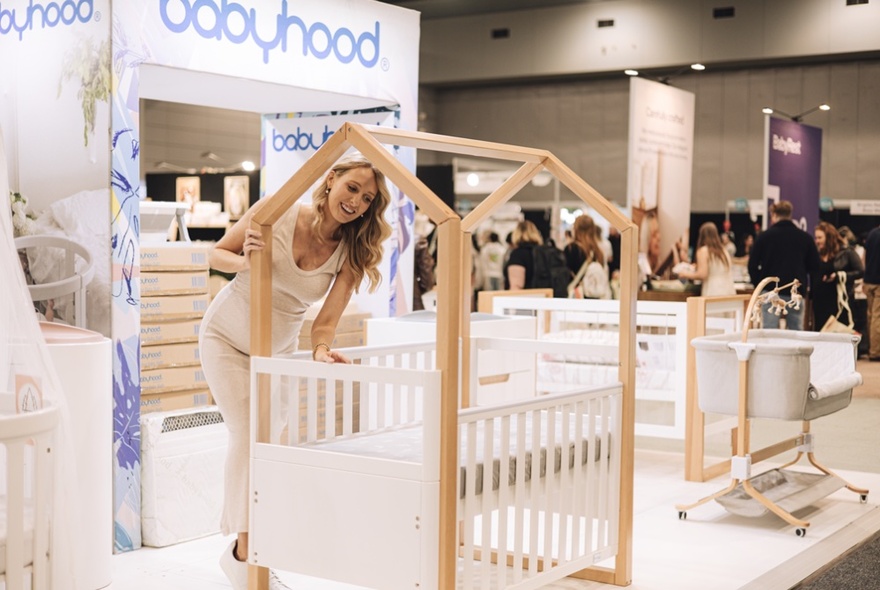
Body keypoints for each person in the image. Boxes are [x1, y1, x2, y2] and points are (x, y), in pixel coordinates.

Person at [198, 154, 392, 590]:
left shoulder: (352, 252)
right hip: (226, 337)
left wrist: (322, 348)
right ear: (330, 179)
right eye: (353, 188)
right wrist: (244, 262)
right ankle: (248, 557)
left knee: (267, 446)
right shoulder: (277, 209)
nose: (358, 202)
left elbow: (324, 322)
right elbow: (216, 253)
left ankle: (251, 555)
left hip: (278, 352)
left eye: (367, 198)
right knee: (249, 432)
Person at [747, 200, 820, 330]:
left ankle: (771, 351)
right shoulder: (805, 238)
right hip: (795, 291)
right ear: (790, 214)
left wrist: (759, 285)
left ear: (774, 215)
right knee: (795, 330)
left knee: (769, 330)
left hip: (770, 290)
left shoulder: (764, 237)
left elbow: (752, 265)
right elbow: (814, 267)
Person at [811, 221, 863, 331]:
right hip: (819, 301)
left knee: (838, 333)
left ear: (829, 237)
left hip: (839, 301)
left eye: (820, 237)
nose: (817, 241)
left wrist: (840, 276)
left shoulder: (847, 252)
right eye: (816, 238)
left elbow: (860, 271)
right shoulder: (817, 253)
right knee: (820, 332)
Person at [675, 222, 736, 296]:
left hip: (713, 291)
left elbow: (702, 274)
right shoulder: (723, 250)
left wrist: (685, 274)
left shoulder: (703, 251)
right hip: (729, 290)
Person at [564, 213, 609, 298]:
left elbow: (566, 275)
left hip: (577, 296)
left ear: (576, 229)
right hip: (595, 297)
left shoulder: (571, 249)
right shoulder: (598, 252)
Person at [504, 220, 543, 289]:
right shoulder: (543, 252)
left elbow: (516, 286)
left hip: (527, 297)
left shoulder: (518, 254)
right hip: (545, 296)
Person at [864, 224, 880, 360]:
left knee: (870, 316)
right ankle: (875, 352)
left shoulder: (872, 234)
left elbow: (864, 257)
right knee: (877, 317)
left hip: (868, 281)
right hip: (879, 282)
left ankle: (871, 347)